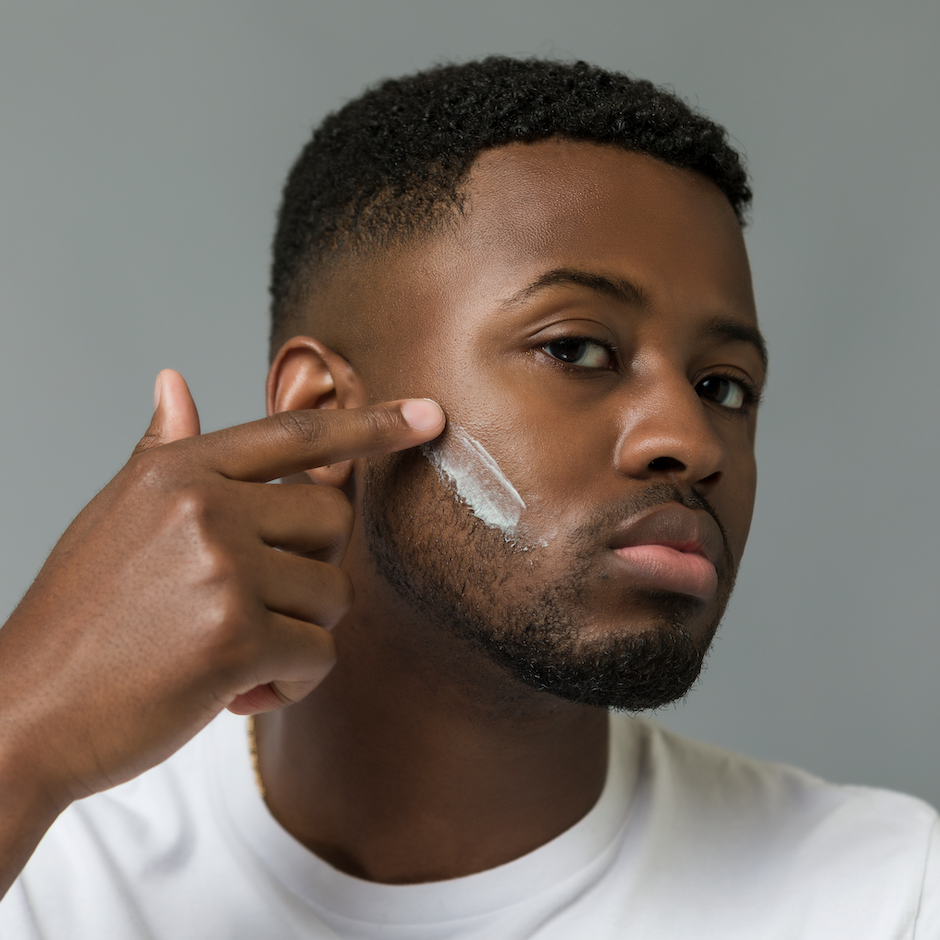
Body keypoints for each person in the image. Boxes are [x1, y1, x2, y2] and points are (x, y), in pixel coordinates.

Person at [0, 56, 936, 938]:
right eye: (576, 349)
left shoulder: (883, 897)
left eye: (724, 386)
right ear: (323, 409)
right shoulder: (50, 856)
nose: (688, 441)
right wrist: (25, 724)